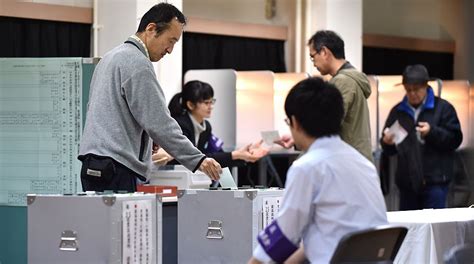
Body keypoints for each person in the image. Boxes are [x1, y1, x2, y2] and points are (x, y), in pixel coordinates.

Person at [78, 3, 221, 192]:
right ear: (151, 29)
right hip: (116, 167)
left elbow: (109, 113)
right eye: (170, 41)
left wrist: (145, 139)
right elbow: (160, 122)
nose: (170, 50)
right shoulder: (137, 63)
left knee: (96, 222)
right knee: (121, 223)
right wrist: (198, 160)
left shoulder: (110, 57)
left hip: (93, 164)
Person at [248, 77, 387, 264]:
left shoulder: (307, 167)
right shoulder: (363, 164)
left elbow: (284, 233)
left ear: (295, 122)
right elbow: (322, 238)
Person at [276, 30, 373, 163]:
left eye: (313, 56)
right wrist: (297, 138)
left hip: (346, 163)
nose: (313, 62)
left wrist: (301, 140)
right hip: (353, 161)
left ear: (324, 52)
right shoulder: (351, 79)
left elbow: (324, 127)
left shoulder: (343, 81)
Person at [381, 64, 462, 210]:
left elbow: (455, 139)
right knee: (410, 230)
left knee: (434, 229)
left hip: (435, 183)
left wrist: (432, 132)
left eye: (416, 89)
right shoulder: (398, 111)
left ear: (426, 86)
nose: (412, 94)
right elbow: (389, 150)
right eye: (408, 90)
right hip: (407, 184)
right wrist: (387, 143)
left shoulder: (443, 108)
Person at [168, 80, 268, 168]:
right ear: (190, 104)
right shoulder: (180, 125)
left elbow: (215, 155)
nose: (211, 106)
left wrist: (245, 154)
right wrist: (236, 154)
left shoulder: (206, 126)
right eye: (206, 103)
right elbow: (192, 157)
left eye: (212, 102)